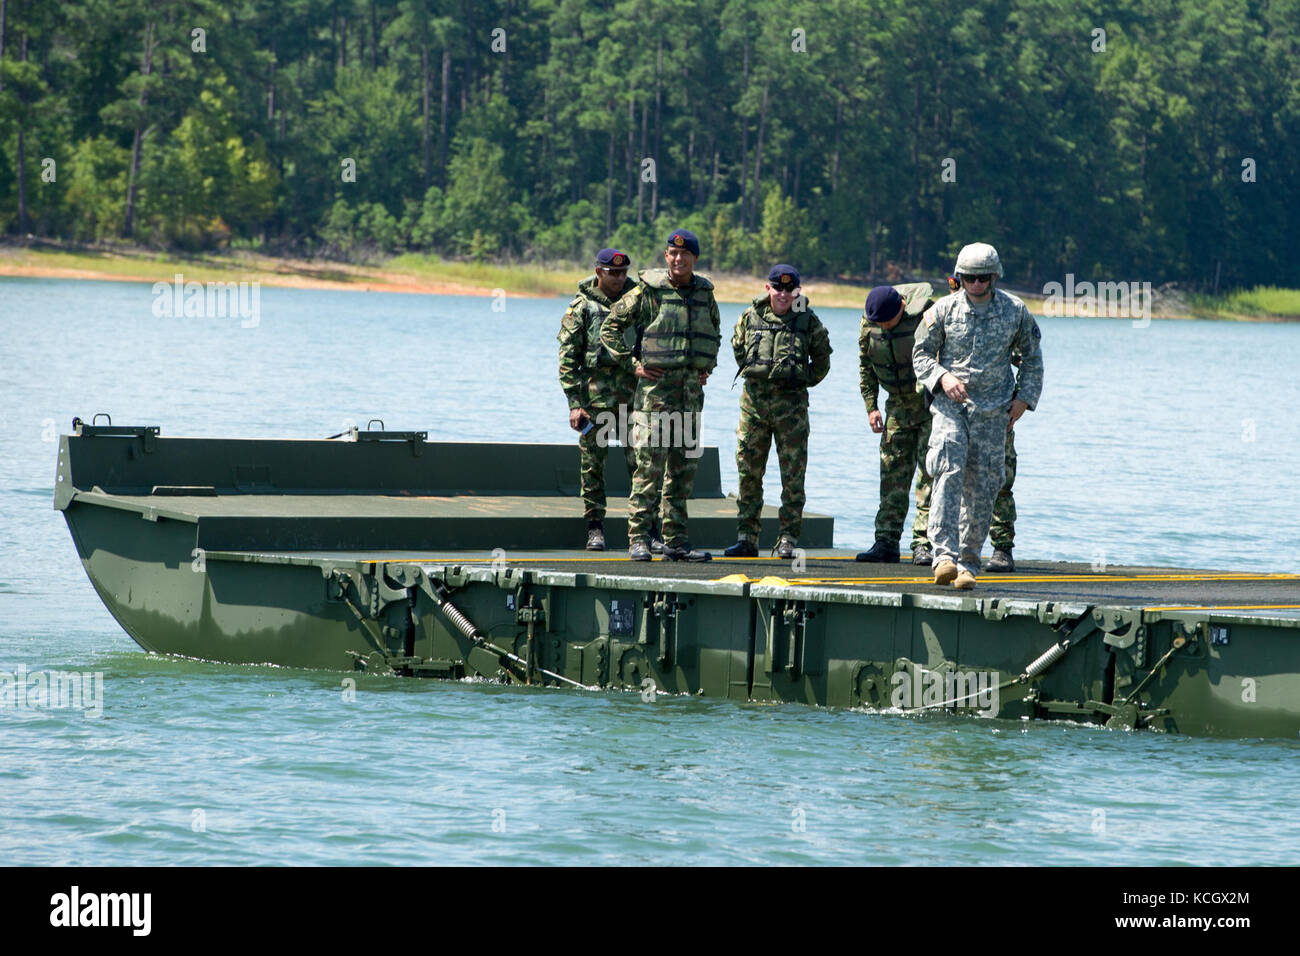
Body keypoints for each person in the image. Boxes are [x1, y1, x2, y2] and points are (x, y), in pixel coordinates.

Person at [912, 242, 1043, 589]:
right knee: (948, 472)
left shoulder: (1015, 311)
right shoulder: (942, 311)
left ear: (994, 277)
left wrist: (1024, 400)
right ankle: (943, 556)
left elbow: (1032, 358)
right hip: (951, 408)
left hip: (994, 411)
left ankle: (969, 562)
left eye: (983, 278)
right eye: (969, 278)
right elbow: (921, 354)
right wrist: (942, 377)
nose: (976, 285)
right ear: (960, 277)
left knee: (984, 486)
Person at [600, 229, 721, 562]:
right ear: (666, 256)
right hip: (655, 399)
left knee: (682, 474)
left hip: (690, 400)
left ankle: (676, 541)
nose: (678, 259)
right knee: (648, 471)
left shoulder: (705, 294)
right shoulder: (648, 292)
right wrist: (632, 364)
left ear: (694, 259)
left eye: (685, 254)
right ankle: (639, 538)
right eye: (672, 253)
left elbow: (714, 332)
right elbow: (610, 326)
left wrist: (706, 365)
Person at [723, 265, 832, 559]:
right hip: (754, 407)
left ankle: (788, 539)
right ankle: (747, 537)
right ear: (767, 287)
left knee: (793, 477)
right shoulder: (750, 317)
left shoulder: (808, 321)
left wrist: (799, 381)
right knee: (748, 473)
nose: (784, 294)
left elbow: (822, 362)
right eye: (778, 288)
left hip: (792, 409)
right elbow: (738, 350)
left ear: (798, 290)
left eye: (790, 289)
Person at [557, 248, 661, 551]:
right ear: (598, 272)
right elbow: (568, 359)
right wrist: (574, 404)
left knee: (643, 465)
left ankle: (649, 529)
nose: (618, 278)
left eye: (623, 272)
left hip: (635, 400)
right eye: (612, 272)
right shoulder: (582, 307)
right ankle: (595, 527)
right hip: (594, 403)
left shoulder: (639, 302)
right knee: (593, 465)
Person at [856, 282, 937, 565]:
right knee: (892, 476)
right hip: (896, 409)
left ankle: (923, 544)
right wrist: (871, 407)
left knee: (929, 476)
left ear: (902, 309)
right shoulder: (870, 324)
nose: (884, 327)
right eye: (879, 323)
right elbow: (866, 367)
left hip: (929, 408)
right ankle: (886, 542)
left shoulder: (927, 317)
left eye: (888, 322)